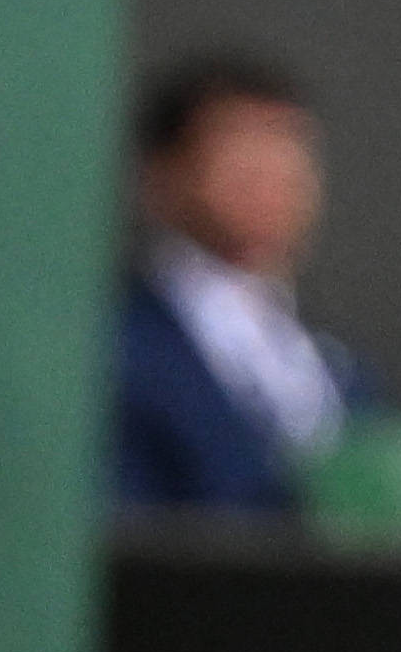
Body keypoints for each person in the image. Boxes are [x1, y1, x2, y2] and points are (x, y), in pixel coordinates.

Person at [110, 51, 360, 522]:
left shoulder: (343, 369)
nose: (272, 176)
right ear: (161, 175)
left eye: (291, 150)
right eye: (242, 150)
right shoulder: (116, 349)